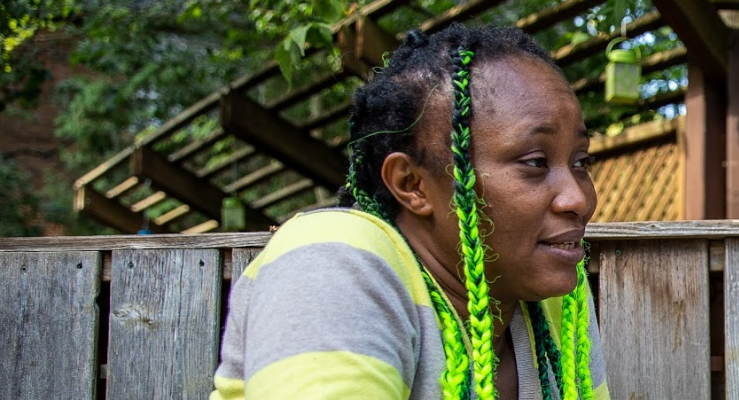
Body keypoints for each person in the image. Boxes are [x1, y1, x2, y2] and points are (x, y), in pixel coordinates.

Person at [211, 24, 607, 400]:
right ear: (412, 184)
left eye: (581, 162)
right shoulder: (332, 261)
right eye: (535, 162)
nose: (578, 199)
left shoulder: (556, 301)